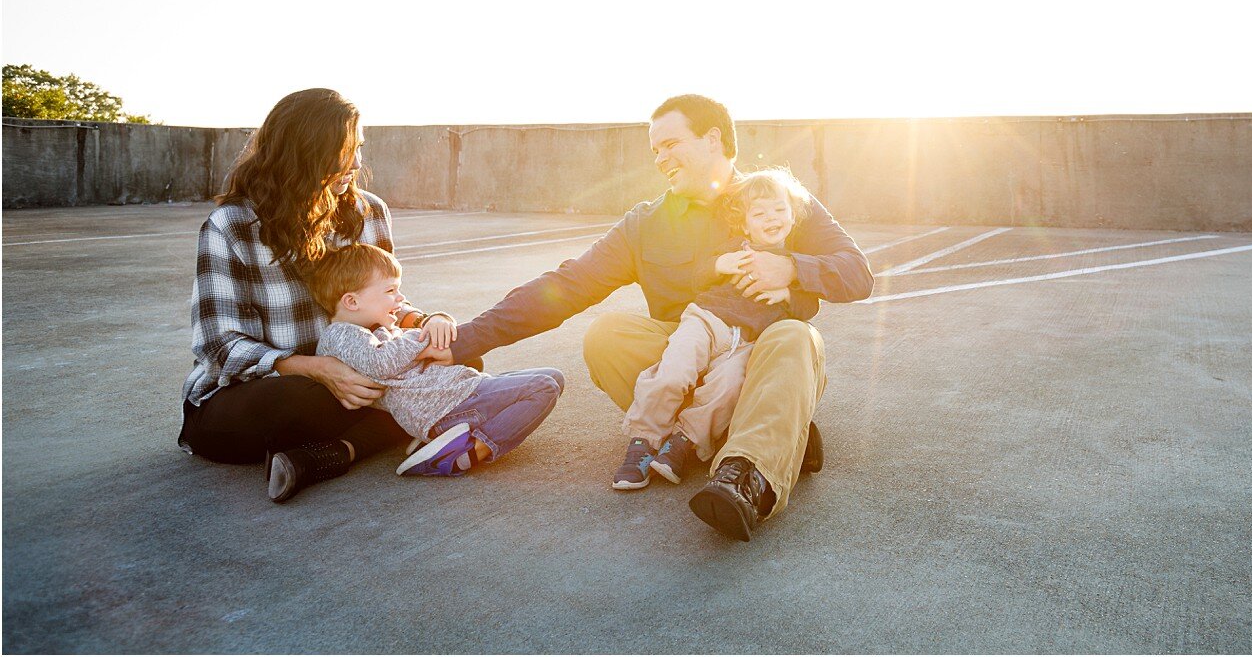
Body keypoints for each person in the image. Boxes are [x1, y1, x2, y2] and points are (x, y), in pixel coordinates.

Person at [442, 94, 874, 541]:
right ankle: (766, 427)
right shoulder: (645, 223)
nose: (661, 158)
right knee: (608, 335)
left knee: (795, 337)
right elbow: (566, 286)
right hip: (682, 356)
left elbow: (859, 274)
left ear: (713, 139)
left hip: (756, 353)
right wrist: (465, 341)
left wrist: (791, 267)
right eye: (655, 151)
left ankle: (746, 476)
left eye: (670, 144)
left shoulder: (777, 202)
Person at [178, 88, 459, 503]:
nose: (356, 163)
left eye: (358, 148)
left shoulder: (368, 212)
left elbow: (385, 301)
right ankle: (365, 434)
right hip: (259, 395)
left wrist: (425, 323)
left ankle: (331, 453)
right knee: (303, 397)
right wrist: (316, 368)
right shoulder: (231, 225)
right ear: (303, 152)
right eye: (343, 151)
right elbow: (219, 345)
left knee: (455, 355)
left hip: (354, 378)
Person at [614, 167, 817, 491]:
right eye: (760, 212)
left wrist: (787, 293)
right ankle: (644, 439)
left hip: (747, 342)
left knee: (727, 387)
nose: (772, 218)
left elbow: (810, 306)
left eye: (780, 210)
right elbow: (699, 275)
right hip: (707, 321)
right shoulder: (735, 247)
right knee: (674, 371)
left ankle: (682, 442)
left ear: (793, 215)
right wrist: (721, 264)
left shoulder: (794, 263)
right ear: (745, 221)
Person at [312, 242, 564, 479]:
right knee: (544, 387)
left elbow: (394, 353)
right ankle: (467, 451)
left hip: (456, 393)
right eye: (390, 291)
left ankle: (446, 441)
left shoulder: (372, 329)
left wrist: (427, 326)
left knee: (554, 377)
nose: (400, 299)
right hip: (445, 405)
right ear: (352, 301)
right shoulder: (341, 335)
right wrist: (423, 339)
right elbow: (380, 363)